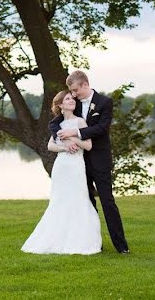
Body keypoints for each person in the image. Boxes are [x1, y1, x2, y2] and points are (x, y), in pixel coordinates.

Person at [49, 70, 130, 254]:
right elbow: (55, 124)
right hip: (78, 164)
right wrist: (63, 139)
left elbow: (102, 128)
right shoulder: (73, 104)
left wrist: (75, 134)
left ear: (85, 84)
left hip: (99, 160)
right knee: (86, 203)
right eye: (72, 92)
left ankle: (121, 246)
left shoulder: (104, 102)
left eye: (76, 90)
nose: (74, 94)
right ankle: (93, 242)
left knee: (107, 202)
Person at [21, 90, 102, 255]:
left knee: (78, 200)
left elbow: (88, 146)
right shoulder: (58, 125)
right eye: (67, 99)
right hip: (62, 166)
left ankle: (79, 240)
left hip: (76, 166)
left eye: (72, 99)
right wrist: (64, 147)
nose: (72, 101)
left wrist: (72, 139)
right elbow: (50, 146)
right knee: (60, 201)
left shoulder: (80, 122)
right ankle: (56, 239)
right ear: (60, 105)